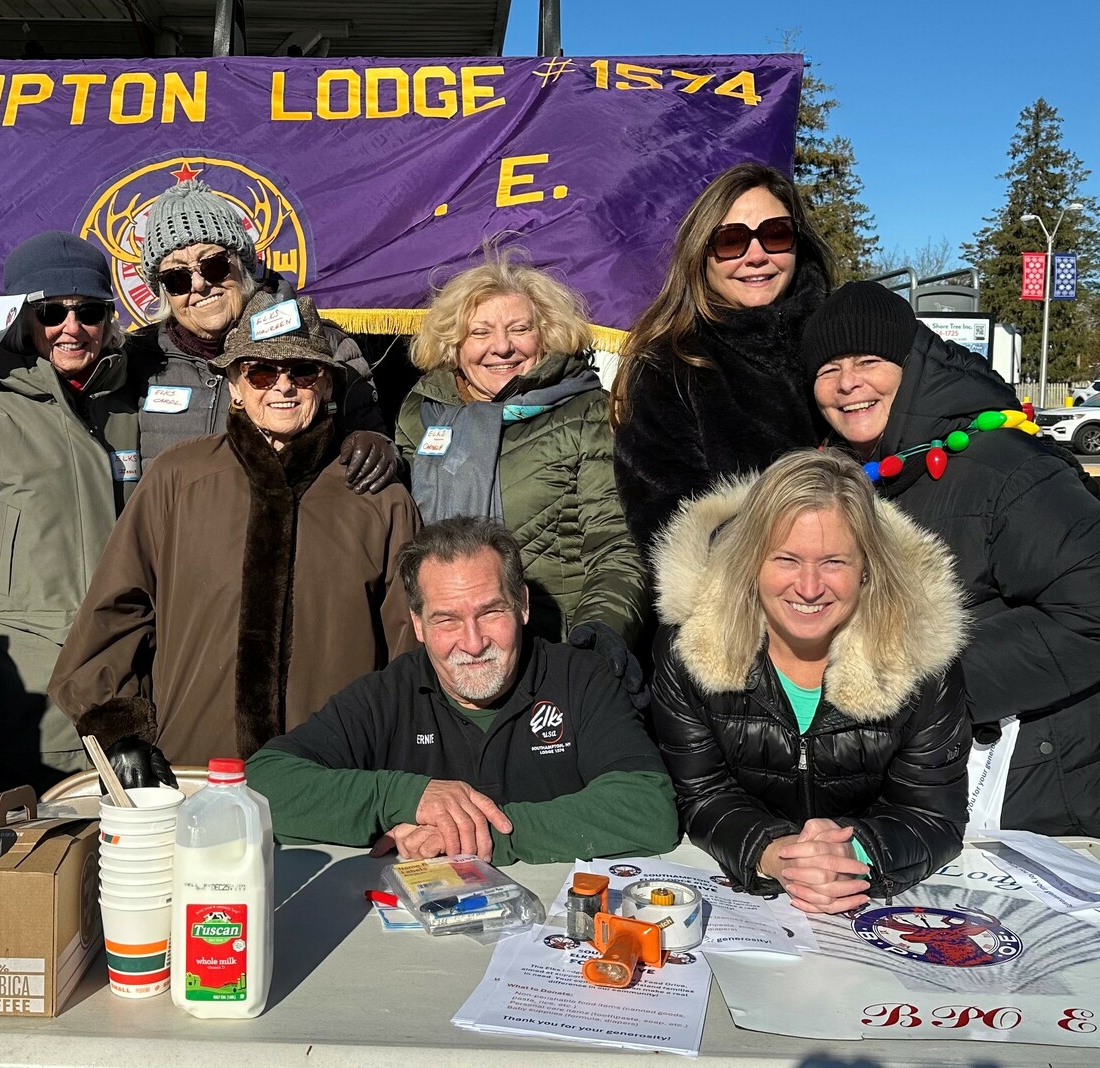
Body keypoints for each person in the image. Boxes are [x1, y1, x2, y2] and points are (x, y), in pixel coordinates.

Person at [50, 293, 421, 765]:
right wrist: (121, 731)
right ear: (234, 387)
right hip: (192, 767)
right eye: (262, 372)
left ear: (326, 385)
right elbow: (116, 611)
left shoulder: (378, 498)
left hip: (335, 775)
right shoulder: (176, 477)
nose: (283, 388)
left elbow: (410, 647)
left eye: (302, 371)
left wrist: (398, 756)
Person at [803, 280, 1100, 839]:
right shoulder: (850, 474)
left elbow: (1097, 613)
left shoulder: (1008, 468)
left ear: (910, 365)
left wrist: (908, 679)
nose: (848, 383)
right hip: (923, 778)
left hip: (1033, 791)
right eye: (828, 370)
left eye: (869, 360)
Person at [245, 516, 677, 865]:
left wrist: (479, 835)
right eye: (447, 620)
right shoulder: (387, 694)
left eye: (490, 612)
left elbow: (648, 808)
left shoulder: (580, 677)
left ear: (523, 606)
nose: (472, 643)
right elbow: (259, 787)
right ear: (417, 624)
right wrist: (406, 796)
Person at [0, 178, 399, 493]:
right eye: (175, 277)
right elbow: (53, 369)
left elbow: (372, 433)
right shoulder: (137, 357)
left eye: (213, 265)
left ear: (245, 264)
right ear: (160, 291)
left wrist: (375, 445)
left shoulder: (322, 345)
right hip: (177, 584)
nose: (198, 285)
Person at [649, 449, 969, 913]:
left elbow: (932, 815)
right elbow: (701, 793)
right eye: (786, 559)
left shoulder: (924, 658)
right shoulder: (690, 647)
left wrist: (853, 853)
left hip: (866, 901)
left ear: (867, 569)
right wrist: (771, 851)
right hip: (750, 900)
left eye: (835, 562)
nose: (809, 586)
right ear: (750, 562)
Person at [0, 232, 147, 793]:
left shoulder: (132, 398)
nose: (71, 326)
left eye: (88, 310)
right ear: (20, 320)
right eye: (51, 311)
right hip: (33, 711)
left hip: (136, 698)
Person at [395, 247, 647, 650]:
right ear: (453, 342)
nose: (502, 347)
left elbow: (616, 546)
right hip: (449, 654)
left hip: (557, 649)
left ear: (546, 335)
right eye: (480, 332)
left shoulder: (587, 414)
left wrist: (598, 638)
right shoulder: (420, 415)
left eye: (520, 329)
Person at [610, 161, 835, 554]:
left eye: (776, 234)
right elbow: (671, 526)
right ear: (703, 254)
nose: (756, 256)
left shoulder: (844, 337)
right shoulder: (670, 365)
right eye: (731, 241)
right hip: (735, 600)